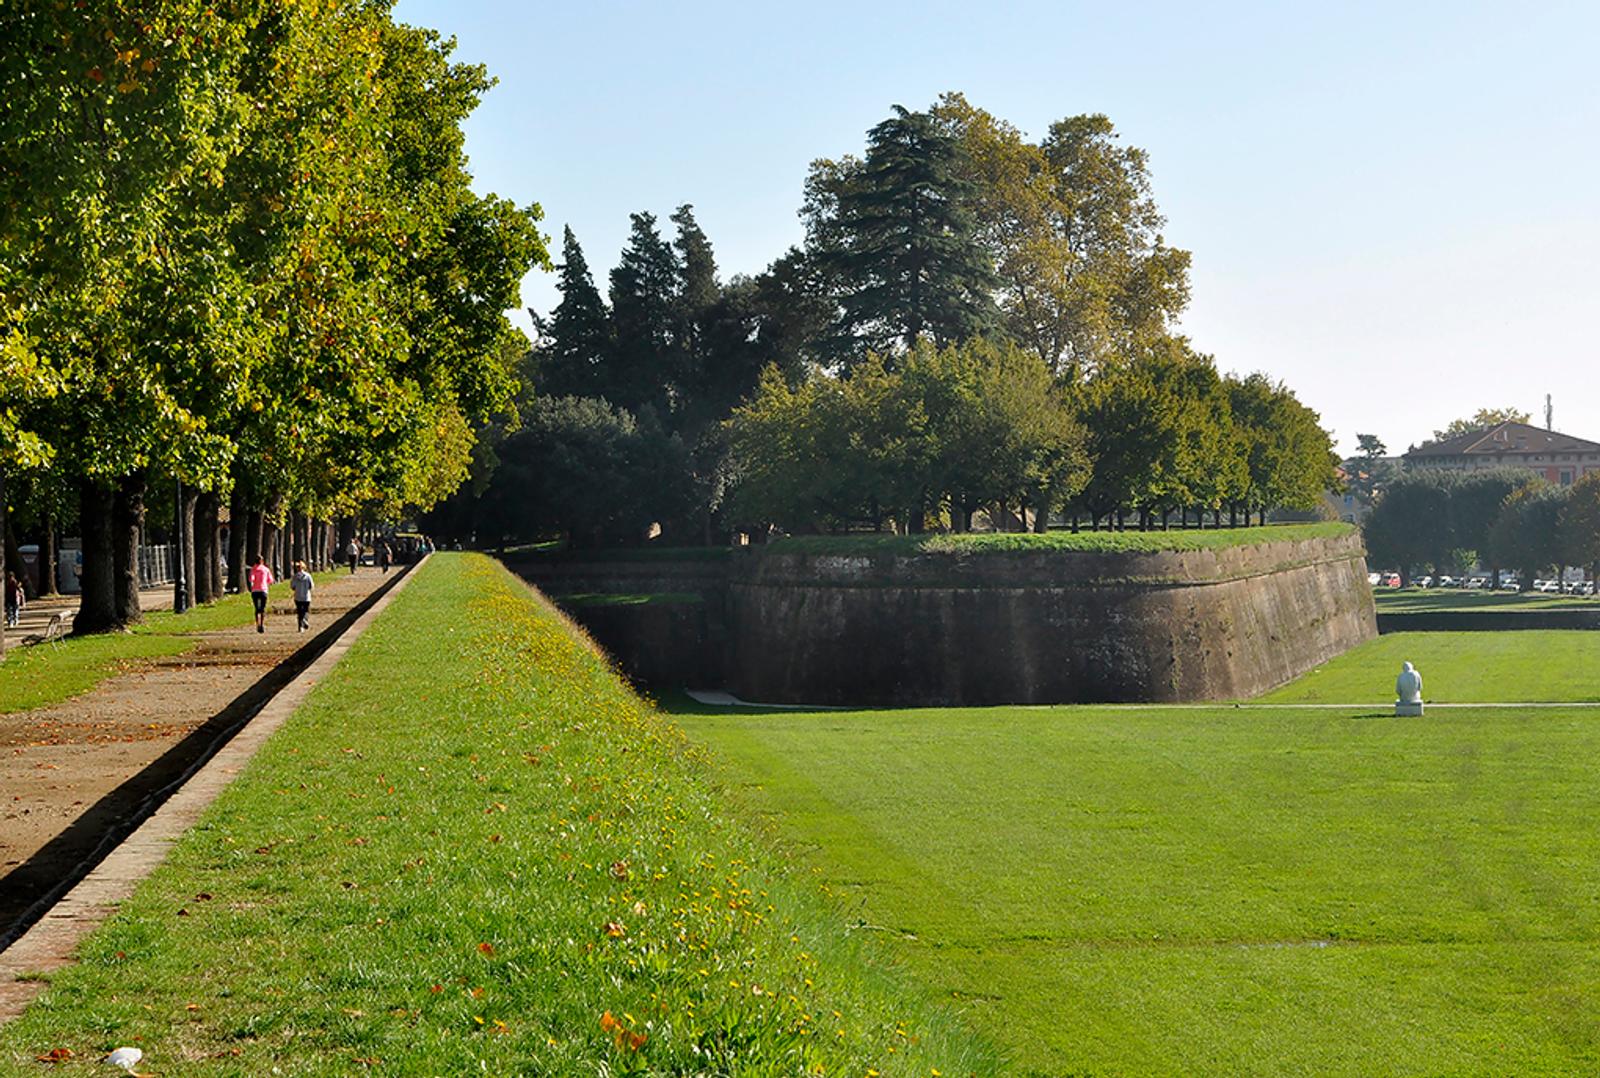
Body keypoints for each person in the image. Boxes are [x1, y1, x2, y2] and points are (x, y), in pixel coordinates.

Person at [247, 555, 275, 634]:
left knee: (256, 608)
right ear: (262, 561)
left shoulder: (253, 569)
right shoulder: (266, 569)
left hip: (255, 591)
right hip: (263, 590)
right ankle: (262, 624)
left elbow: (251, 579)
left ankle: (257, 624)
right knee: (262, 609)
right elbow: (270, 580)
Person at [290, 560, 314, 632]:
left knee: (299, 612)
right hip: (306, 597)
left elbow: (292, 586)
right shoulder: (308, 576)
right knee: (306, 611)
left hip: (298, 596)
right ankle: (305, 620)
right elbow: (311, 586)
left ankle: (300, 627)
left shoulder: (295, 577)